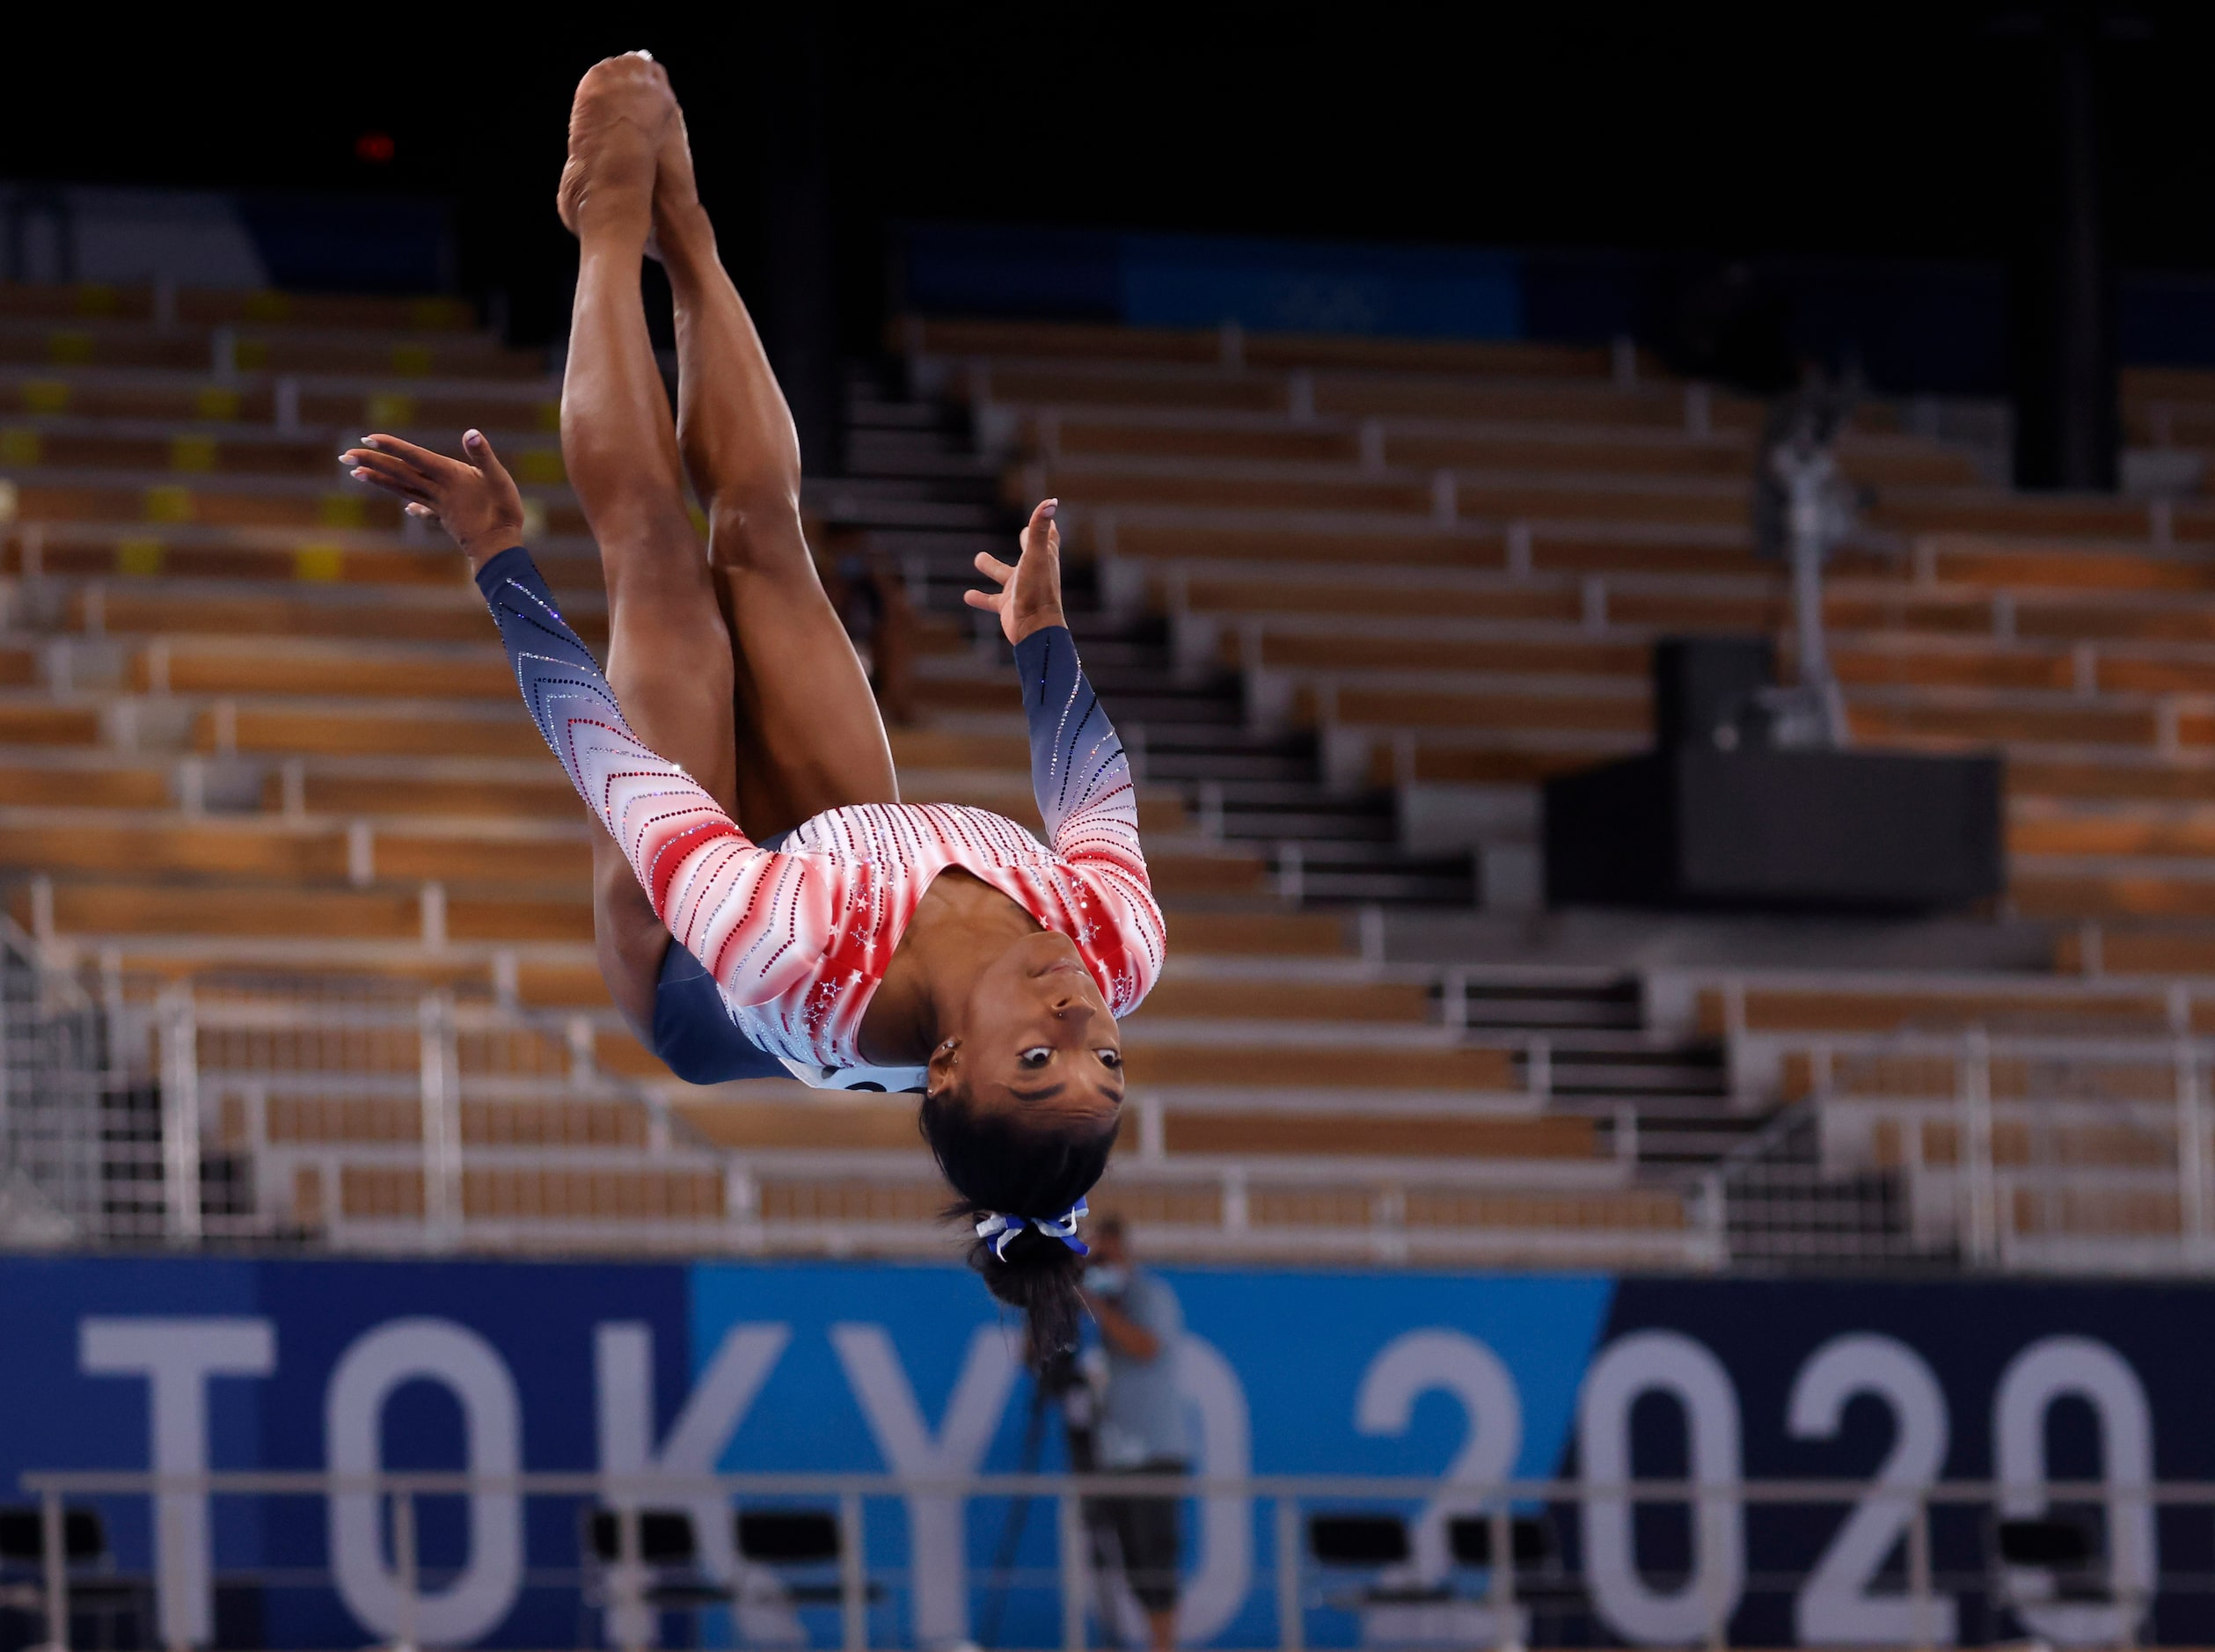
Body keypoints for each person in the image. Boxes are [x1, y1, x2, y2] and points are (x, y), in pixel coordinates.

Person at [337, 53, 1164, 1364]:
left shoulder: (789, 954)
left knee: (657, 565)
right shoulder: (1112, 946)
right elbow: (1090, 787)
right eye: (1105, 1065)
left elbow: (611, 764)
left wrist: (498, 558)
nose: (1081, 1028)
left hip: (691, 965)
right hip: (855, 852)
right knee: (767, 542)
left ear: (944, 1068)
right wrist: (1043, 640)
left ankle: (606, 215)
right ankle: (690, 234)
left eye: (1035, 1064)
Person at [1082, 1215, 1189, 1651]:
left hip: (1153, 1450)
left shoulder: (1148, 1294)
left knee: (1155, 1561)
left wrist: (1102, 1306)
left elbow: (1147, 1347)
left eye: (1108, 1256)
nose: (1101, 1265)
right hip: (1114, 1452)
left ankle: (1163, 1647)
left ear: (1126, 1254)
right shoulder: (1093, 1304)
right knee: (1129, 1562)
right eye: (1095, 1257)